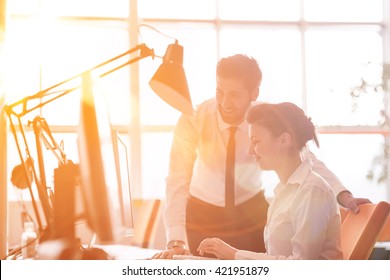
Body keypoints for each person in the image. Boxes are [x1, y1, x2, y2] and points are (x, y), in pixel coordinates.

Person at [152, 54, 369, 259]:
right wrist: (175, 240)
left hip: (251, 211)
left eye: (235, 95)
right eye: (220, 92)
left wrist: (342, 195)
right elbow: (177, 178)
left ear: (254, 93)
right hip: (203, 213)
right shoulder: (193, 118)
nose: (225, 103)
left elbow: (303, 155)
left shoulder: (266, 119)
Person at [198, 102, 343, 260]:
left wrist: (234, 254)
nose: (250, 150)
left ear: (283, 141)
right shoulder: (284, 191)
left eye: (256, 141)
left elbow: (302, 267)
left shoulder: (312, 191)